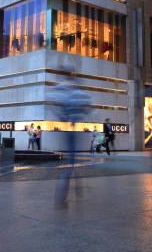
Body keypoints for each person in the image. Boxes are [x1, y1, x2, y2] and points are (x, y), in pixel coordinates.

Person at [49, 71, 91, 205]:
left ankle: (75, 187)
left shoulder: (63, 89)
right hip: (73, 131)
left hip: (68, 130)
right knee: (71, 163)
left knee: (72, 161)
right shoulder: (76, 92)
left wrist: (63, 117)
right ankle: (63, 195)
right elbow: (87, 107)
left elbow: (54, 101)